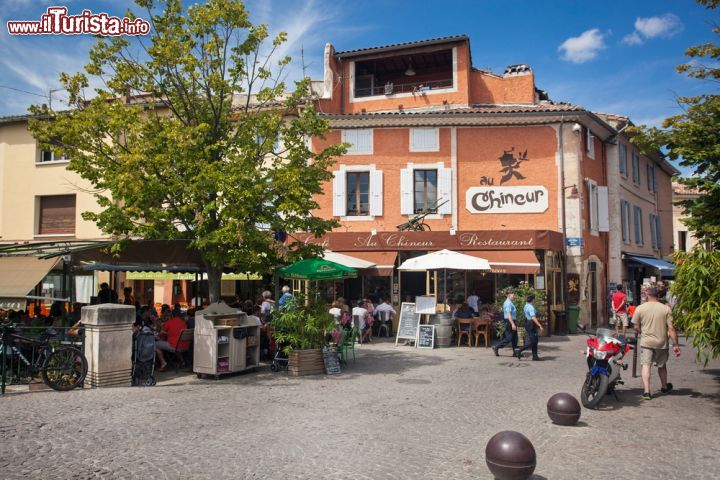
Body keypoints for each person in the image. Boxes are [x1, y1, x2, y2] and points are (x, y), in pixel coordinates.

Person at [633, 286, 681, 400]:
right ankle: (664, 387)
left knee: (646, 365)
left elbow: (636, 327)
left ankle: (646, 392)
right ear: (658, 296)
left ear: (647, 295)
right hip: (661, 341)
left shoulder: (640, 308)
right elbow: (671, 329)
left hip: (646, 341)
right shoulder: (666, 309)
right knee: (661, 365)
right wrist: (675, 344)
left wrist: (643, 332)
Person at [516, 294, 543, 360]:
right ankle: (519, 350)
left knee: (535, 340)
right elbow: (533, 317)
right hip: (531, 323)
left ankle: (535, 356)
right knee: (533, 341)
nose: (535, 300)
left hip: (528, 322)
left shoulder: (526, 305)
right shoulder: (530, 307)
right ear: (532, 299)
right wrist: (539, 325)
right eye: (534, 299)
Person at [492, 288, 518, 356]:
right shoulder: (508, 303)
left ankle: (515, 352)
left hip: (511, 321)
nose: (514, 296)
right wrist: (512, 324)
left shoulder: (510, 302)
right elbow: (508, 314)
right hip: (510, 321)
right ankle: (496, 347)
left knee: (515, 338)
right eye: (513, 295)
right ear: (509, 295)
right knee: (509, 338)